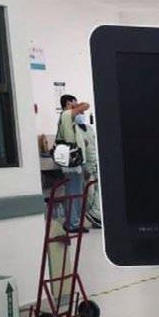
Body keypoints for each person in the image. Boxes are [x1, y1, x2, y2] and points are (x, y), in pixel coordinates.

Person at [55, 94, 90, 233]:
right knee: (73, 193)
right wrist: (78, 106)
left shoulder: (69, 119)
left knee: (76, 193)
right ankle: (72, 224)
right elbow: (86, 105)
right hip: (72, 164)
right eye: (75, 102)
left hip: (76, 162)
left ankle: (74, 222)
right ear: (69, 103)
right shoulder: (66, 114)